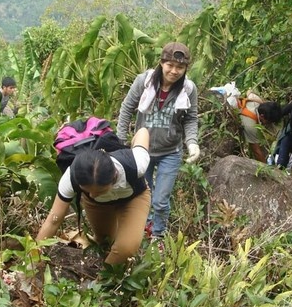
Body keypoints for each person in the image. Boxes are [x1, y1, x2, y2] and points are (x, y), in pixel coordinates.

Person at [116, 42, 200, 241]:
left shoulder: (188, 89)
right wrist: (120, 140)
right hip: (141, 151)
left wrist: (192, 142)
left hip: (170, 151)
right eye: (170, 65)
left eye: (180, 67)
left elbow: (191, 117)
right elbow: (127, 108)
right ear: (161, 63)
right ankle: (143, 231)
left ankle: (158, 236)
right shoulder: (144, 82)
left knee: (161, 200)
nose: (174, 71)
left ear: (185, 68)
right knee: (143, 197)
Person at [36, 128, 151, 265]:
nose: (92, 194)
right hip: (97, 204)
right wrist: (33, 257)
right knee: (105, 241)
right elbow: (53, 220)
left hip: (134, 198)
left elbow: (143, 131)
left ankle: (101, 283)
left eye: (99, 190)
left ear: (113, 177)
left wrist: (126, 140)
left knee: (125, 248)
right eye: (87, 190)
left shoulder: (136, 163)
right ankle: (97, 268)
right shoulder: (71, 178)